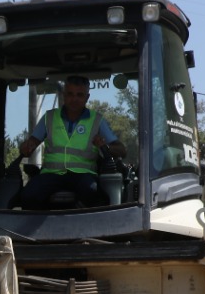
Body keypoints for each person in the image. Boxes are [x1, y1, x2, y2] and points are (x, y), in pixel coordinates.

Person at [14, 75, 124, 210]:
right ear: (64, 95)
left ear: (87, 97)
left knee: (94, 194)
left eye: (79, 95)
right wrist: (25, 148)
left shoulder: (97, 120)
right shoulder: (49, 118)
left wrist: (104, 146)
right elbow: (28, 146)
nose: (74, 99)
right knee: (28, 195)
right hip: (51, 174)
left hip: (83, 175)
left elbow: (121, 150)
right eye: (70, 94)